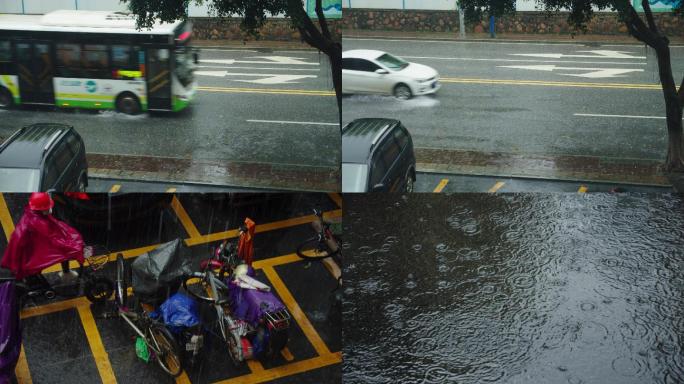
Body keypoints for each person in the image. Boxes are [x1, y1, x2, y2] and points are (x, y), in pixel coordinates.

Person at [1, 193, 85, 282]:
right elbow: (53, 239)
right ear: (42, 209)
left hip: (32, 244)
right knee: (65, 254)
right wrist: (72, 246)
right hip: (34, 248)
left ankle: (64, 273)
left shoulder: (33, 213)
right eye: (48, 207)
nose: (50, 208)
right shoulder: (38, 222)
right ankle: (66, 273)